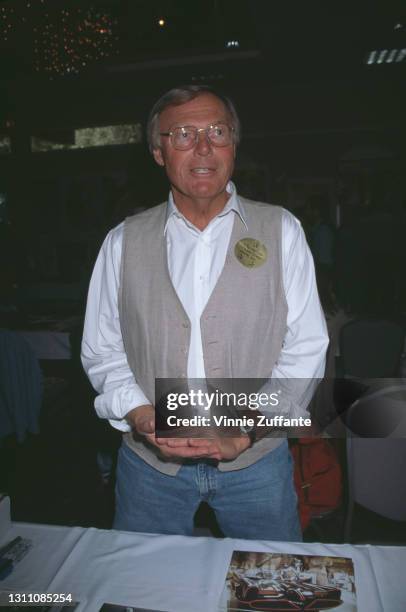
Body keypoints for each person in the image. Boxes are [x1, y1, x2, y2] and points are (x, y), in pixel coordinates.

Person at [81, 85, 328, 540]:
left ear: (233, 144)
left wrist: (245, 430)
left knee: (271, 590)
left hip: (256, 465)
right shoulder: (122, 241)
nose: (203, 147)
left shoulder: (281, 230)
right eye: (182, 134)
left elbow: (306, 349)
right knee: (143, 591)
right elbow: (103, 350)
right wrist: (138, 412)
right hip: (149, 471)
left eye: (217, 131)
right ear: (158, 152)